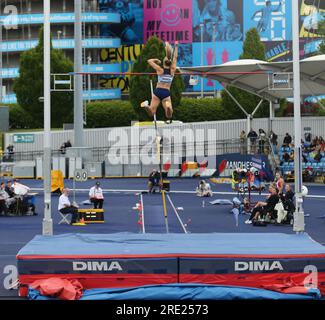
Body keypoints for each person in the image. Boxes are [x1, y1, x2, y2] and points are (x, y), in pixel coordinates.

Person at [141, 41, 179, 122]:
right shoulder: (172, 71)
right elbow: (175, 57)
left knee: (151, 112)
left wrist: (156, 60)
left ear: (164, 63)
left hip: (157, 91)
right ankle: (168, 107)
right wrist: (176, 46)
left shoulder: (160, 70)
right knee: (169, 115)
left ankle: (146, 106)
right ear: (170, 63)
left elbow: (149, 61)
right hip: (166, 93)